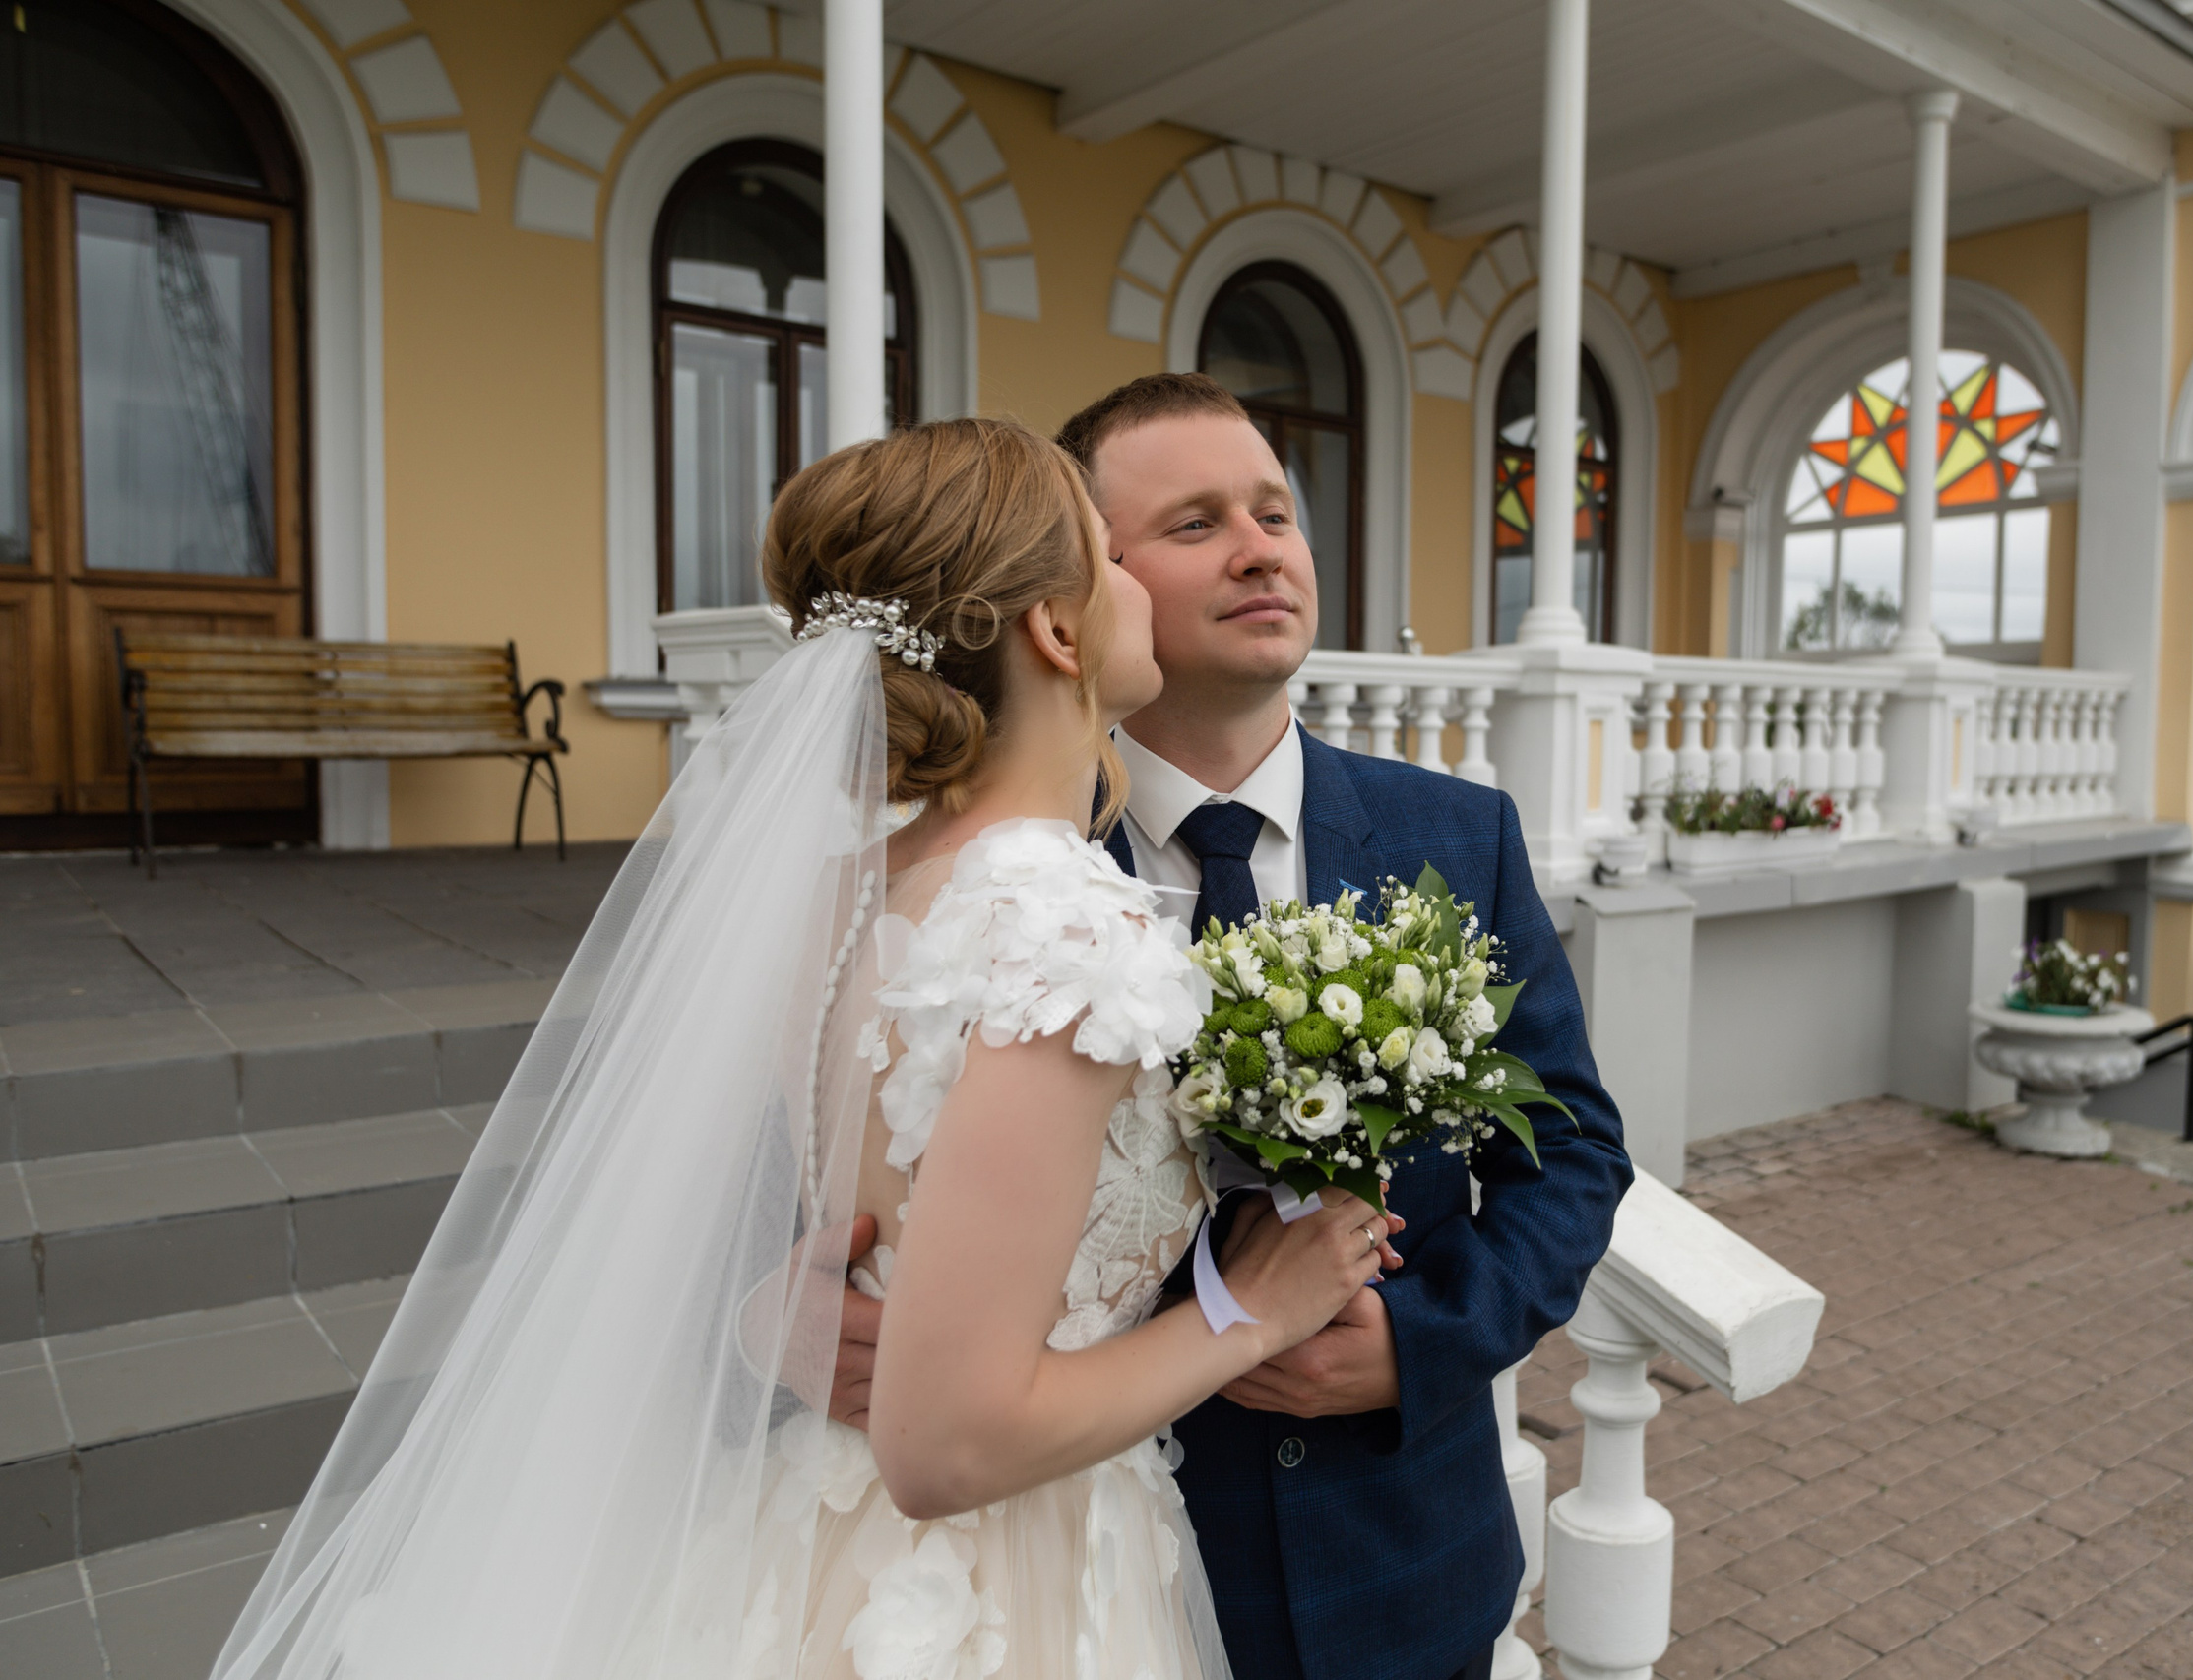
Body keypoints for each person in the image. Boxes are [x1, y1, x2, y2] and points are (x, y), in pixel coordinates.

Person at [208, 418, 1400, 1680]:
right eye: (1107, 554)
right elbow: (943, 1448)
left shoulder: (840, 902)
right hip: (1000, 1586)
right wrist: (1252, 1310)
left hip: (816, 1535)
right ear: (1056, 630)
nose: (1132, 583)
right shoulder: (1063, 927)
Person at [831, 375, 1632, 1680]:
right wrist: (795, 1319)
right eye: (1196, 522)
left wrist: (1419, 1340)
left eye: (1277, 509)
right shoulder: (997, 883)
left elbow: (1577, 1154)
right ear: (1090, 585)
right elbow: (797, 1181)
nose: (1263, 544)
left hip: (1406, 1557)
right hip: (1101, 1564)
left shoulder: (1458, 833)